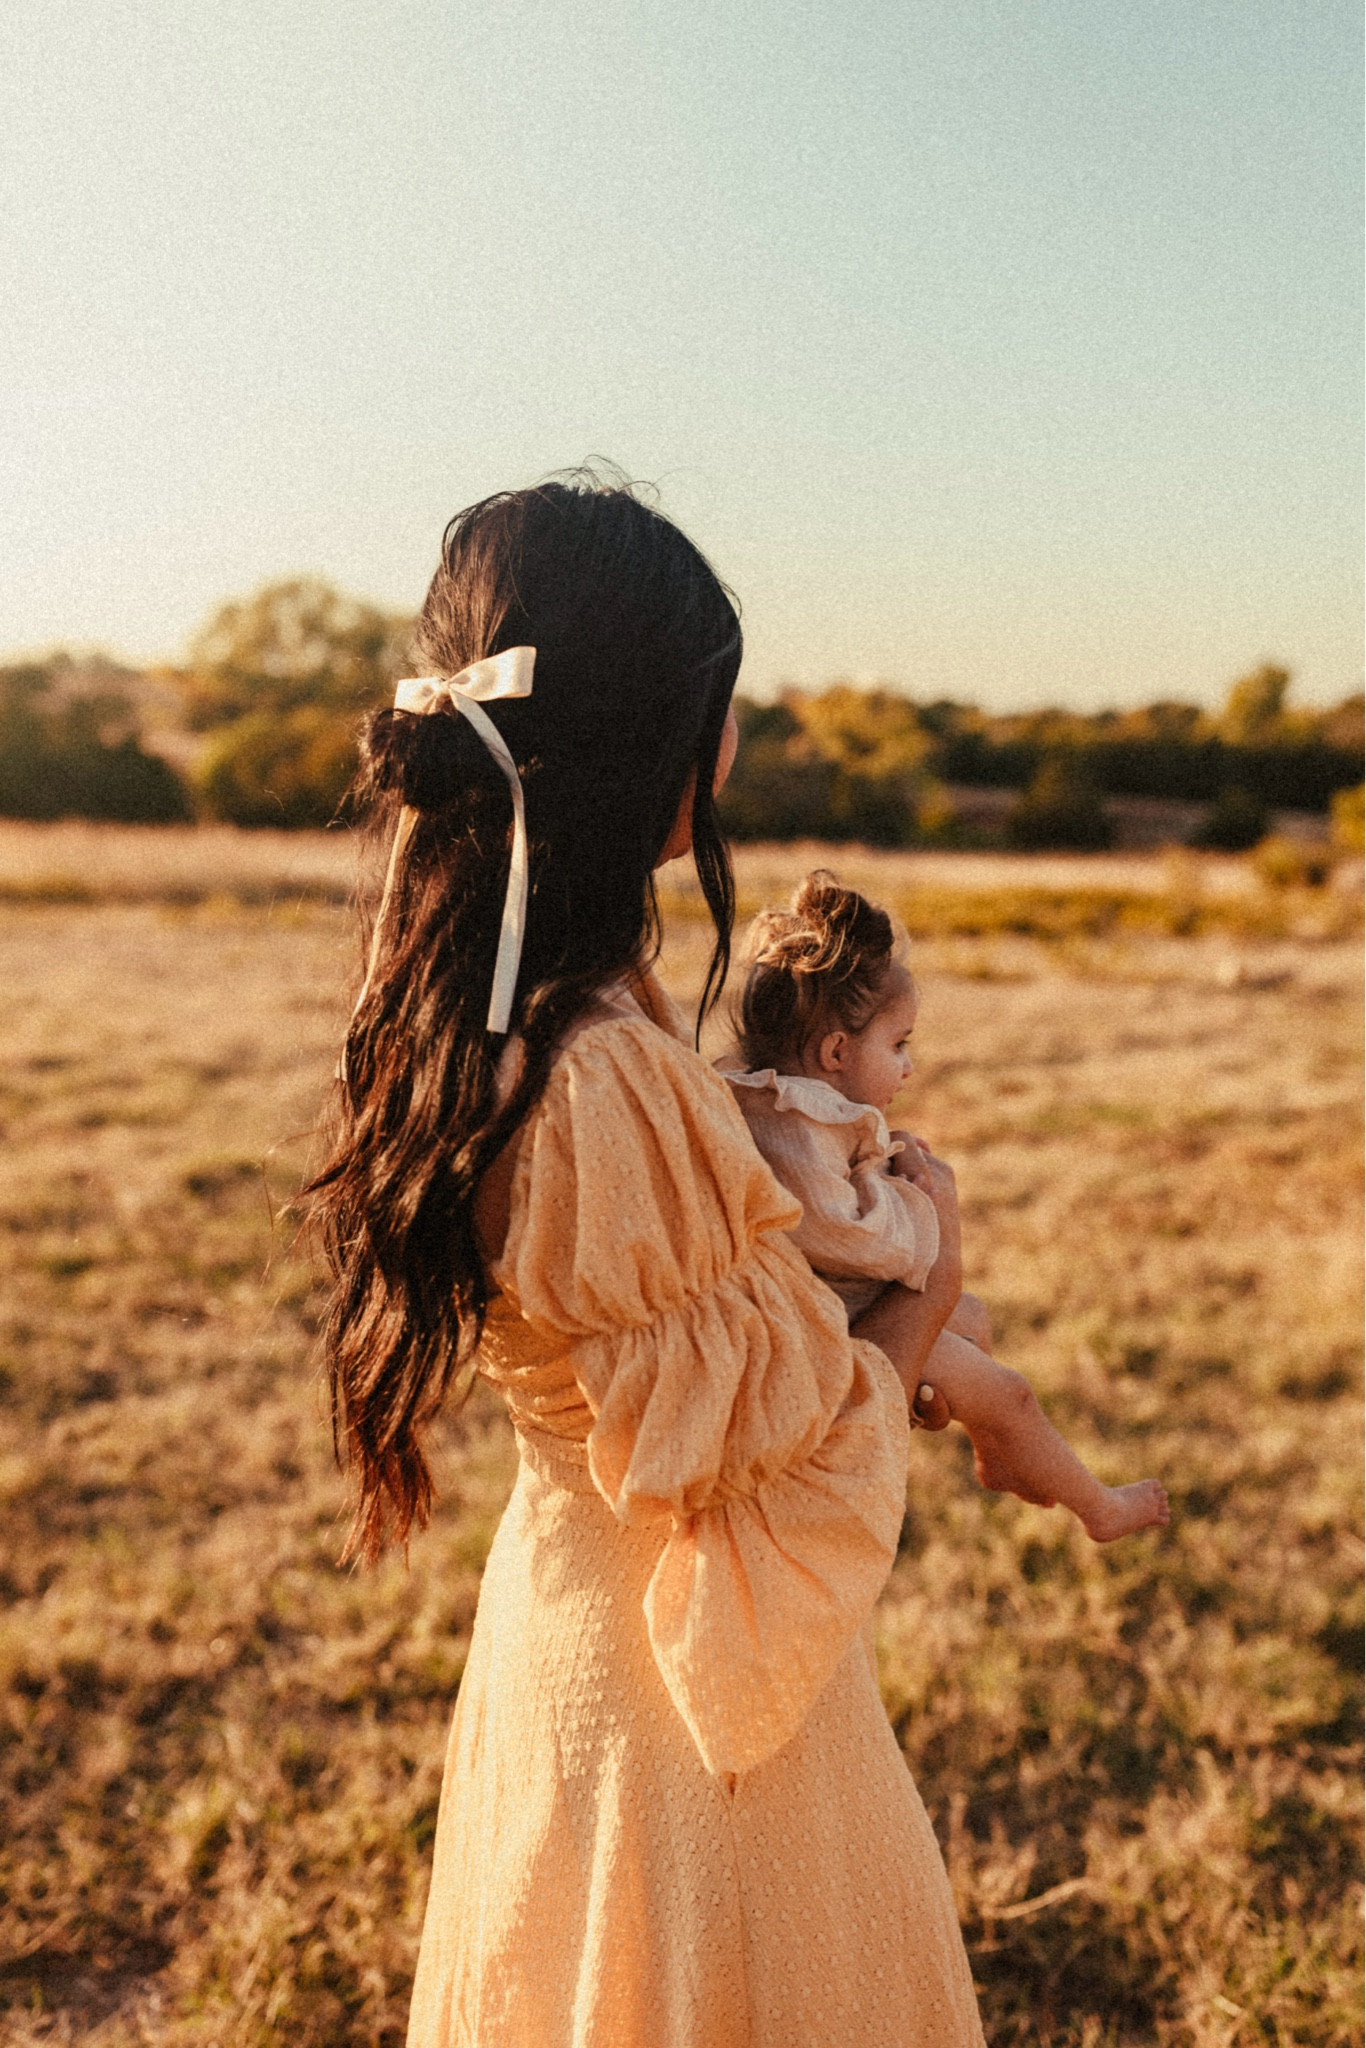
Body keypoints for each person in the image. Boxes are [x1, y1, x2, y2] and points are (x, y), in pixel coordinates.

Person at [308, 475, 985, 2046]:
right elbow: (762, 1471)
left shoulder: (489, 1014)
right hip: (689, 1718)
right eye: (718, 697)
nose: (734, 738)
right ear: (654, 737)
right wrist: (928, 1291)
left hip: (569, 1632)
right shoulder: (600, 1075)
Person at [721, 871, 1170, 1545]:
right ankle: (1097, 1507)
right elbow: (852, 1238)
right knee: (1010, 1390)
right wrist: (918, 1203)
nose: (908, 1066)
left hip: (847, 1305)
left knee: (976, 1321)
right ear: (836, 1051)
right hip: (832, 1324)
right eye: (898, 1045)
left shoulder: (802, 1110)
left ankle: (997, 1445)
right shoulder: (792, 1127)